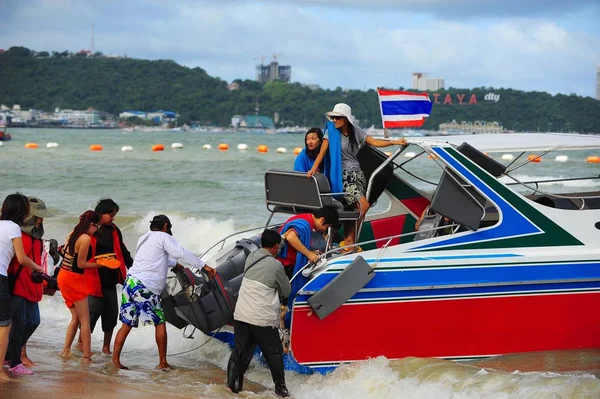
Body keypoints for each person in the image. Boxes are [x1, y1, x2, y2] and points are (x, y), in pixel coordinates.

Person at [112, 214, 215, 370]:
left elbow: (154, 258)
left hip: (131, 282)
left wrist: (175, 264)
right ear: (165, 226)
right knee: (159, 322)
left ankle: (115, 360)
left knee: (127, 323)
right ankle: (162, 363)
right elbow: (181, 252)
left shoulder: (144, 238)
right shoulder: (163, 237)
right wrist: (203, 265)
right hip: (145, 287)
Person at [308, 103, 406, 247]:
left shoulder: (356, 131)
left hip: (358, 176)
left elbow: (373, 142)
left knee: (354, 209)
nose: (334, 120)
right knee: (364, 206)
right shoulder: (331, 132)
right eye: (333, 117)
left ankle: (347, 239)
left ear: (346, 119)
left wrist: (394, 142)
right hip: (343, 177)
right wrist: (313, 169)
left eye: (338, 118)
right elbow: (322, 152)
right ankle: (349, 239)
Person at [227, 229, 291, 398]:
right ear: (276, 247)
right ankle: (281, 391)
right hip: (261, 318)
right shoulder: (276, 265)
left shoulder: (251, 257)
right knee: (274, 353)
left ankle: (232, 388)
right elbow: (286, 290)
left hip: (241, 314)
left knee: (240, 353)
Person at [6, 196, 53, 375]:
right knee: (18, 323)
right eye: (38, 216)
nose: (41, 220)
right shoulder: (16, 234)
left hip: (31, 285)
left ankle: (8, 355)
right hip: (16, 285)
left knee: (33, 321)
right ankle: (14, 361)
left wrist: (45, 280)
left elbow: (38, 261)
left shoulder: (37, 238)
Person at [0, 193, 43, 381]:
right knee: (6, 325)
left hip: (9, 279)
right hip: (5, 279)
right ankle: (6, 366)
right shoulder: (14, 228)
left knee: (12, 323)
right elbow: (21, 258)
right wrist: (37, 267)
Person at [83, 198, 133, 355]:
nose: (113, 218)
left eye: (114, 215)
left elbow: (123, 251)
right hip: (93, 280)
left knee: (111, 316)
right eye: (111, 214)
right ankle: (82, 346)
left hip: (111, 281)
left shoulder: (114, 230)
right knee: (89, 317)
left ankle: (106, 348)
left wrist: (134, 268)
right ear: (100, 213)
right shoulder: (91, 230)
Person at [57, 210, 102, 360]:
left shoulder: (73, 233)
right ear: (91, 224)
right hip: (73, 279)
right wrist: (99, 264)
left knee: (75, 317)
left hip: (62, 275)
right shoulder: (85, 238)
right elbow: (81, 264)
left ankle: (65, 350)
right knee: (85, 319)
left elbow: (63, 251)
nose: (96, 230)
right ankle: (87, 355)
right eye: (97, 226)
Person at [277, 206, 339, 280]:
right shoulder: (305, 224)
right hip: (285, 264)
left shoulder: (306, 217)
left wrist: (311, 252)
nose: (324, 230)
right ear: (322, 220)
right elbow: (291, 237)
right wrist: (309, 254)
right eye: (327, 227)